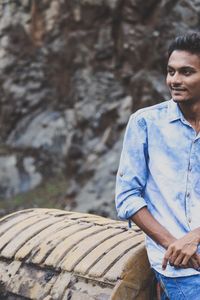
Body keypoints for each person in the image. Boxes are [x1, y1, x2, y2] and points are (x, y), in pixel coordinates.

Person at [115, 32, 200, 299]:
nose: (174, 80)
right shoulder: (146, 123)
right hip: (180, 269)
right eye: (170, 72)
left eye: (186, 72)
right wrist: (173, 244)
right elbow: (127, 197)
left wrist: (195, 236)